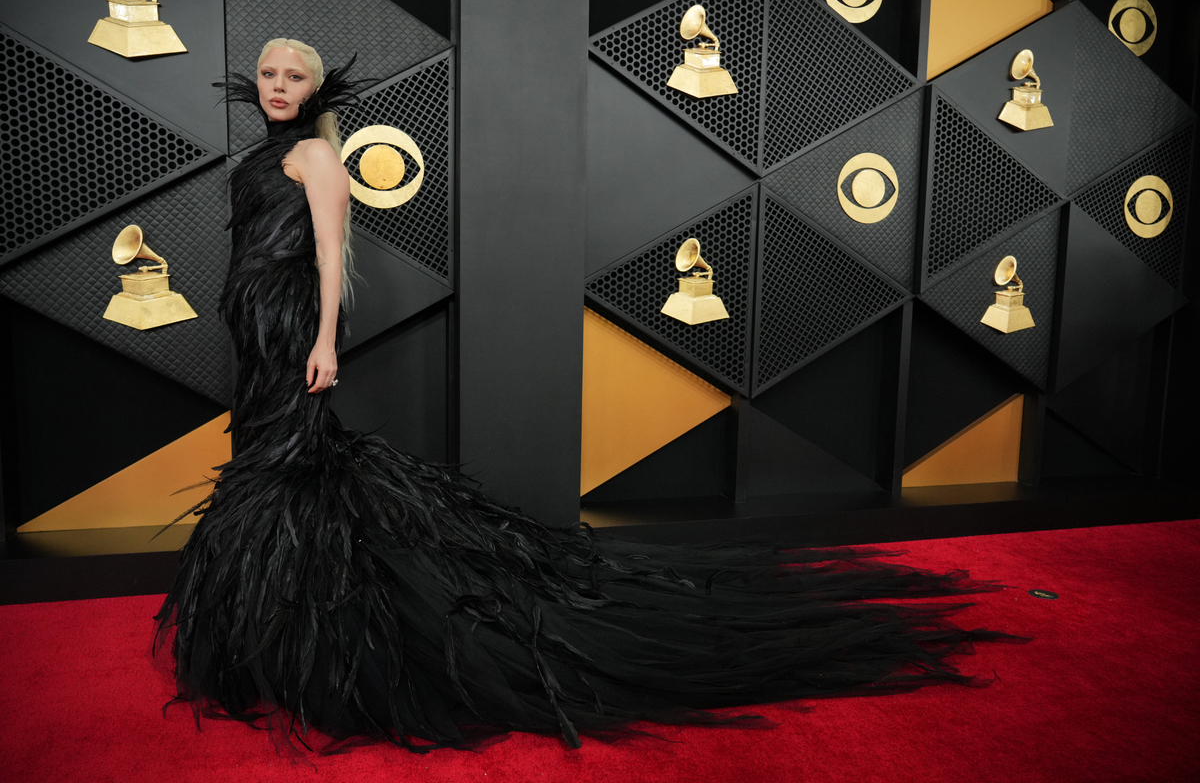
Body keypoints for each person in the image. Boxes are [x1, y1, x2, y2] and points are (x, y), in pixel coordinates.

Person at [154, 38, 1025, 755]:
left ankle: (296, 641)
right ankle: (265, 637)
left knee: (287, 471)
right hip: (252, 335)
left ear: (315, 89)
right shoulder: (261, 157)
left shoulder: (317, 154)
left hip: (290, 335)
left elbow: (332, 256)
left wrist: (322, 343)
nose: (277, 86)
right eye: (268, 74)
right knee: (266, 468)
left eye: (293, 76)